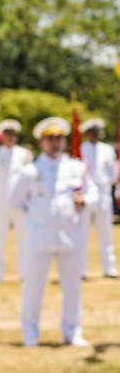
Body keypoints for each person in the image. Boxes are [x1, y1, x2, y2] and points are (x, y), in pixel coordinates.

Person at [12, 117, 95, 347]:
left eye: (59, 138)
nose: (55, 143)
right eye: (50, 139)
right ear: (41, 142)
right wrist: (34, 222)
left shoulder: (77, 168)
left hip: (71, 235)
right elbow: (15, 201)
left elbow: (94, 194)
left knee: (73, 287)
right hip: (40, 237)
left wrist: (85, 200)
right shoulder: (30, 172)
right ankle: (30, 333)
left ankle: (72, 331)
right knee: (33, 287)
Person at [0, 119, 33, 284]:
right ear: (1, 136)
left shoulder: (25, 154)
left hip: (21, 203)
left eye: (13, 134)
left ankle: (25, 272)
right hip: (0, 203)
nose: (10, 137)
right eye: (7, 134)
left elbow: (31, 178)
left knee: (24, 239)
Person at [78, 118, 118, 278]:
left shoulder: (108, 149)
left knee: (106, 233)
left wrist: (105, 183)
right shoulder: (80, 148)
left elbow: (113, 172)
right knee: (81, 233)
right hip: (85, 194)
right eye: (91, 133)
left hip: (103, 194)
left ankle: (109, 268)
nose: (94, 135)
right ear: (87, 134)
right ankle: (81, 269)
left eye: (97, 132)